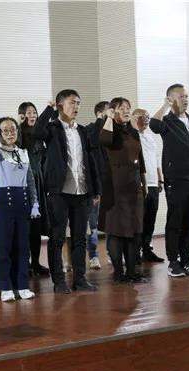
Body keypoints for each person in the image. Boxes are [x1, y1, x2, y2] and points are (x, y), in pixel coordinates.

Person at [33, 90, 101, 294]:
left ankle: (80, 279)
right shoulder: (52, 128)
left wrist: (96, 189)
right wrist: (49, 109)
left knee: (80, 238)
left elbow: (91, 160)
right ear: (60, 105)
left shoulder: (82, 131)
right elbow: (37, 132)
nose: (76, 106)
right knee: (57, 238)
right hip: (59, 192)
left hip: (82, 191)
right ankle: (59, 281)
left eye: (78, 103)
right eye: (72, 102)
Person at [150, 84, 189, 277]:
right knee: (175, 222)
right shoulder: (167, 122)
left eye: (186, 96)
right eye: (181, 97)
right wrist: (165, 106)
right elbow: (153, 125)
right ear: (171, 99)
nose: (185, 100)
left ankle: (187, 260)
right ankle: (173, 262)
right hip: (176, 179)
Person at [0, 117, 40, 301]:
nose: (10, 133)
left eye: (13, 130)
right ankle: (5, 286)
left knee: (23, 246)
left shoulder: (22, 152)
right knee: (3, 246)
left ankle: (22, 285)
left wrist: (34, 202)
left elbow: (30, 180)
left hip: (22, 202)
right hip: (2, 201)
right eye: (5, 130)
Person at [99, 98, 147, 283]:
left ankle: (132, 272)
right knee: (117, 231)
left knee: (135, 230)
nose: (126, 111)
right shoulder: (108, 128)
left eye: (128, 108)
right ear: (113, 111)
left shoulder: (133, 131)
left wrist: (143, 182)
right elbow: (105, 140)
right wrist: (109, 118)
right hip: (115, 187)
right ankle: (118, 273)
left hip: (134, 187)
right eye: (122, 108)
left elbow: (140, 159)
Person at [18, 102, 50, 276]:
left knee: (36, 226)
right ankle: (25, 264)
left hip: (39, 181)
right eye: (29, 112)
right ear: (22, 115)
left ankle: (36, 263)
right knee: (26, 226)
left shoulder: (40, 134)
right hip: (24, 182)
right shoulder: (18, 133)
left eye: (34, 112)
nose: (33, 115)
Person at [132, 108, 165, 263]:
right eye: (142, 117)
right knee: (139, 219)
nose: (145, 119)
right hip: (139, 184)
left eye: (147, 117)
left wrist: (160, 179)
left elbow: (156, 159)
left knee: (150, 219)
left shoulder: (150, 137)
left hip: (153, 184)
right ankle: (134, 252)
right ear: (133, 118)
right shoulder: (132, 136)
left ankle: (147, 249)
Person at [85, 101, 109, 269]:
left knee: (112, 223)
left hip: (111, 185)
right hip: (96, 185)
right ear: (99, 113)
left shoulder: (114, 131)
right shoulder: (90, 129)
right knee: (93, 223)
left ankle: (112, 253)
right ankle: (93, 256)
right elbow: (93, 141)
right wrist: (100, 121)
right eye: (109, 111)